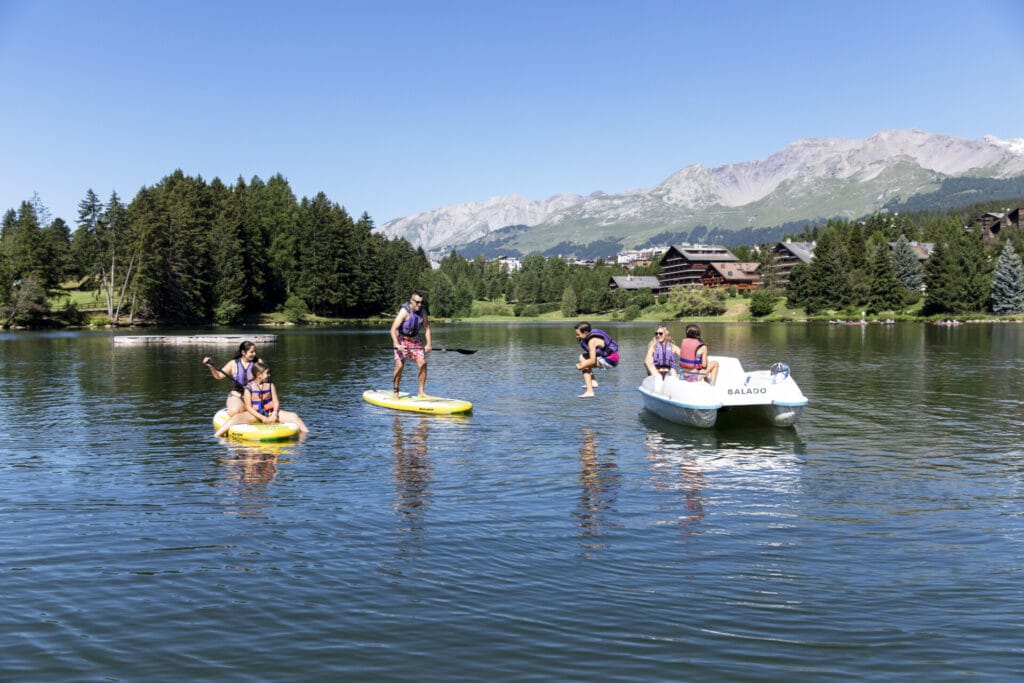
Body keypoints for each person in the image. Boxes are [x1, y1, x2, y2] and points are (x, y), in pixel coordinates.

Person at [214, 361, 309, 437]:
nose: (269, 375)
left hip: (270, 413)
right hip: (255, 415)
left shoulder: (270, 385)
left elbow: (276, 401)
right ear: (259, 374)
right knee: (234, 419)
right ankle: (216, 436)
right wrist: (263, 418)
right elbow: (249, 407)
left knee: (294, 416)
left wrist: (275, 413)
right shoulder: (248, 388)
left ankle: (306, 434)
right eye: (267, 373)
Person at [390, 291, 432, 398]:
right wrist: (396, 344)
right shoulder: (404, 312)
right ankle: (396, 391)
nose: (419, 305)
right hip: (401, 340)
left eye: (421, 303)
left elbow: (427, 328)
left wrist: (428, 344)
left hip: (415, 340)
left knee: (423, 364)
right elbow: (393, 329)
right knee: (399, 366)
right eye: (417, 302)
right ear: (411, 301)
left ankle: (421, 392)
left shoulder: (423, 312)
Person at [203, 341, 260, 415]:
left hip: (254, 394)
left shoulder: (258, 363)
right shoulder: (233, 364)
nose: (254, 354)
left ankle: (246, 410)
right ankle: (238, 408)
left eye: (254, 351)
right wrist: (211, 366)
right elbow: (219, 376)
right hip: (237, 394)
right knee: (234, 411)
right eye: (251, 352)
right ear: (243, 352)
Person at [574, 322, 619, 398]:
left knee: (584, 366)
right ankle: (593, 381)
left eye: (578, 334)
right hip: (607, 357)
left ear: (586, 332)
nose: (577, 336)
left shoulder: (592, 341)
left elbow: (592, 360)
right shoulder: (588, 336)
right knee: (582, 357)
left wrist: (580, 365)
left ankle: (590, 392)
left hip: (611, 359)